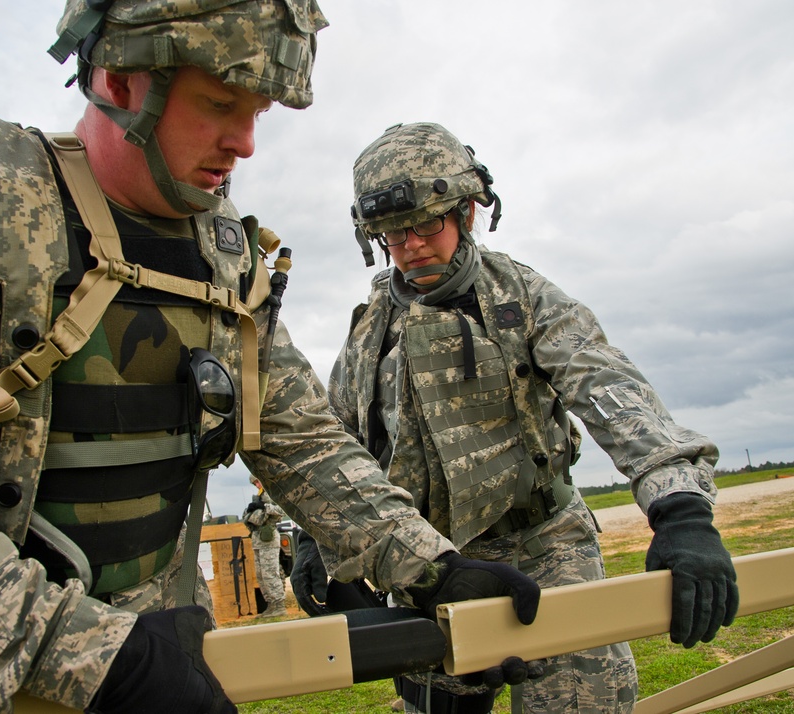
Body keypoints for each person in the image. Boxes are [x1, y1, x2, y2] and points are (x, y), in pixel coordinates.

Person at [0, 6, 545, 714]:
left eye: (257, 114)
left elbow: (302, 443)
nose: (247, 144)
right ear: (120, 82)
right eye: (221, 105)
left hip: (162, 662)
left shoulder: (223, 263)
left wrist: (431, 567)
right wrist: (103, 658)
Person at [293, 122, 740, 714]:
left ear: (468, 212)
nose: (412, 245)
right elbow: (335, 442)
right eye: (392, 233)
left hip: (547, 549)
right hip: (434, 570)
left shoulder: (522, 298)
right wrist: (315, 542)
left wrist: (680, 508)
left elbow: (608, 389)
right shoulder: (368, 331)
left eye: (428, 224)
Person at [241, 475, 288, 618]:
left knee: (270, 573)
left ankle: (279, 605)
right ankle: (271, 605)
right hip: (258, 538)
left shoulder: (273, 494)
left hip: (269, 537)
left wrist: (264, 507)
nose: (256, 484)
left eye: (257, 481)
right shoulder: (259, 496)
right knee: (261, 575)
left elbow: (282, 510)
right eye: (254, 482)